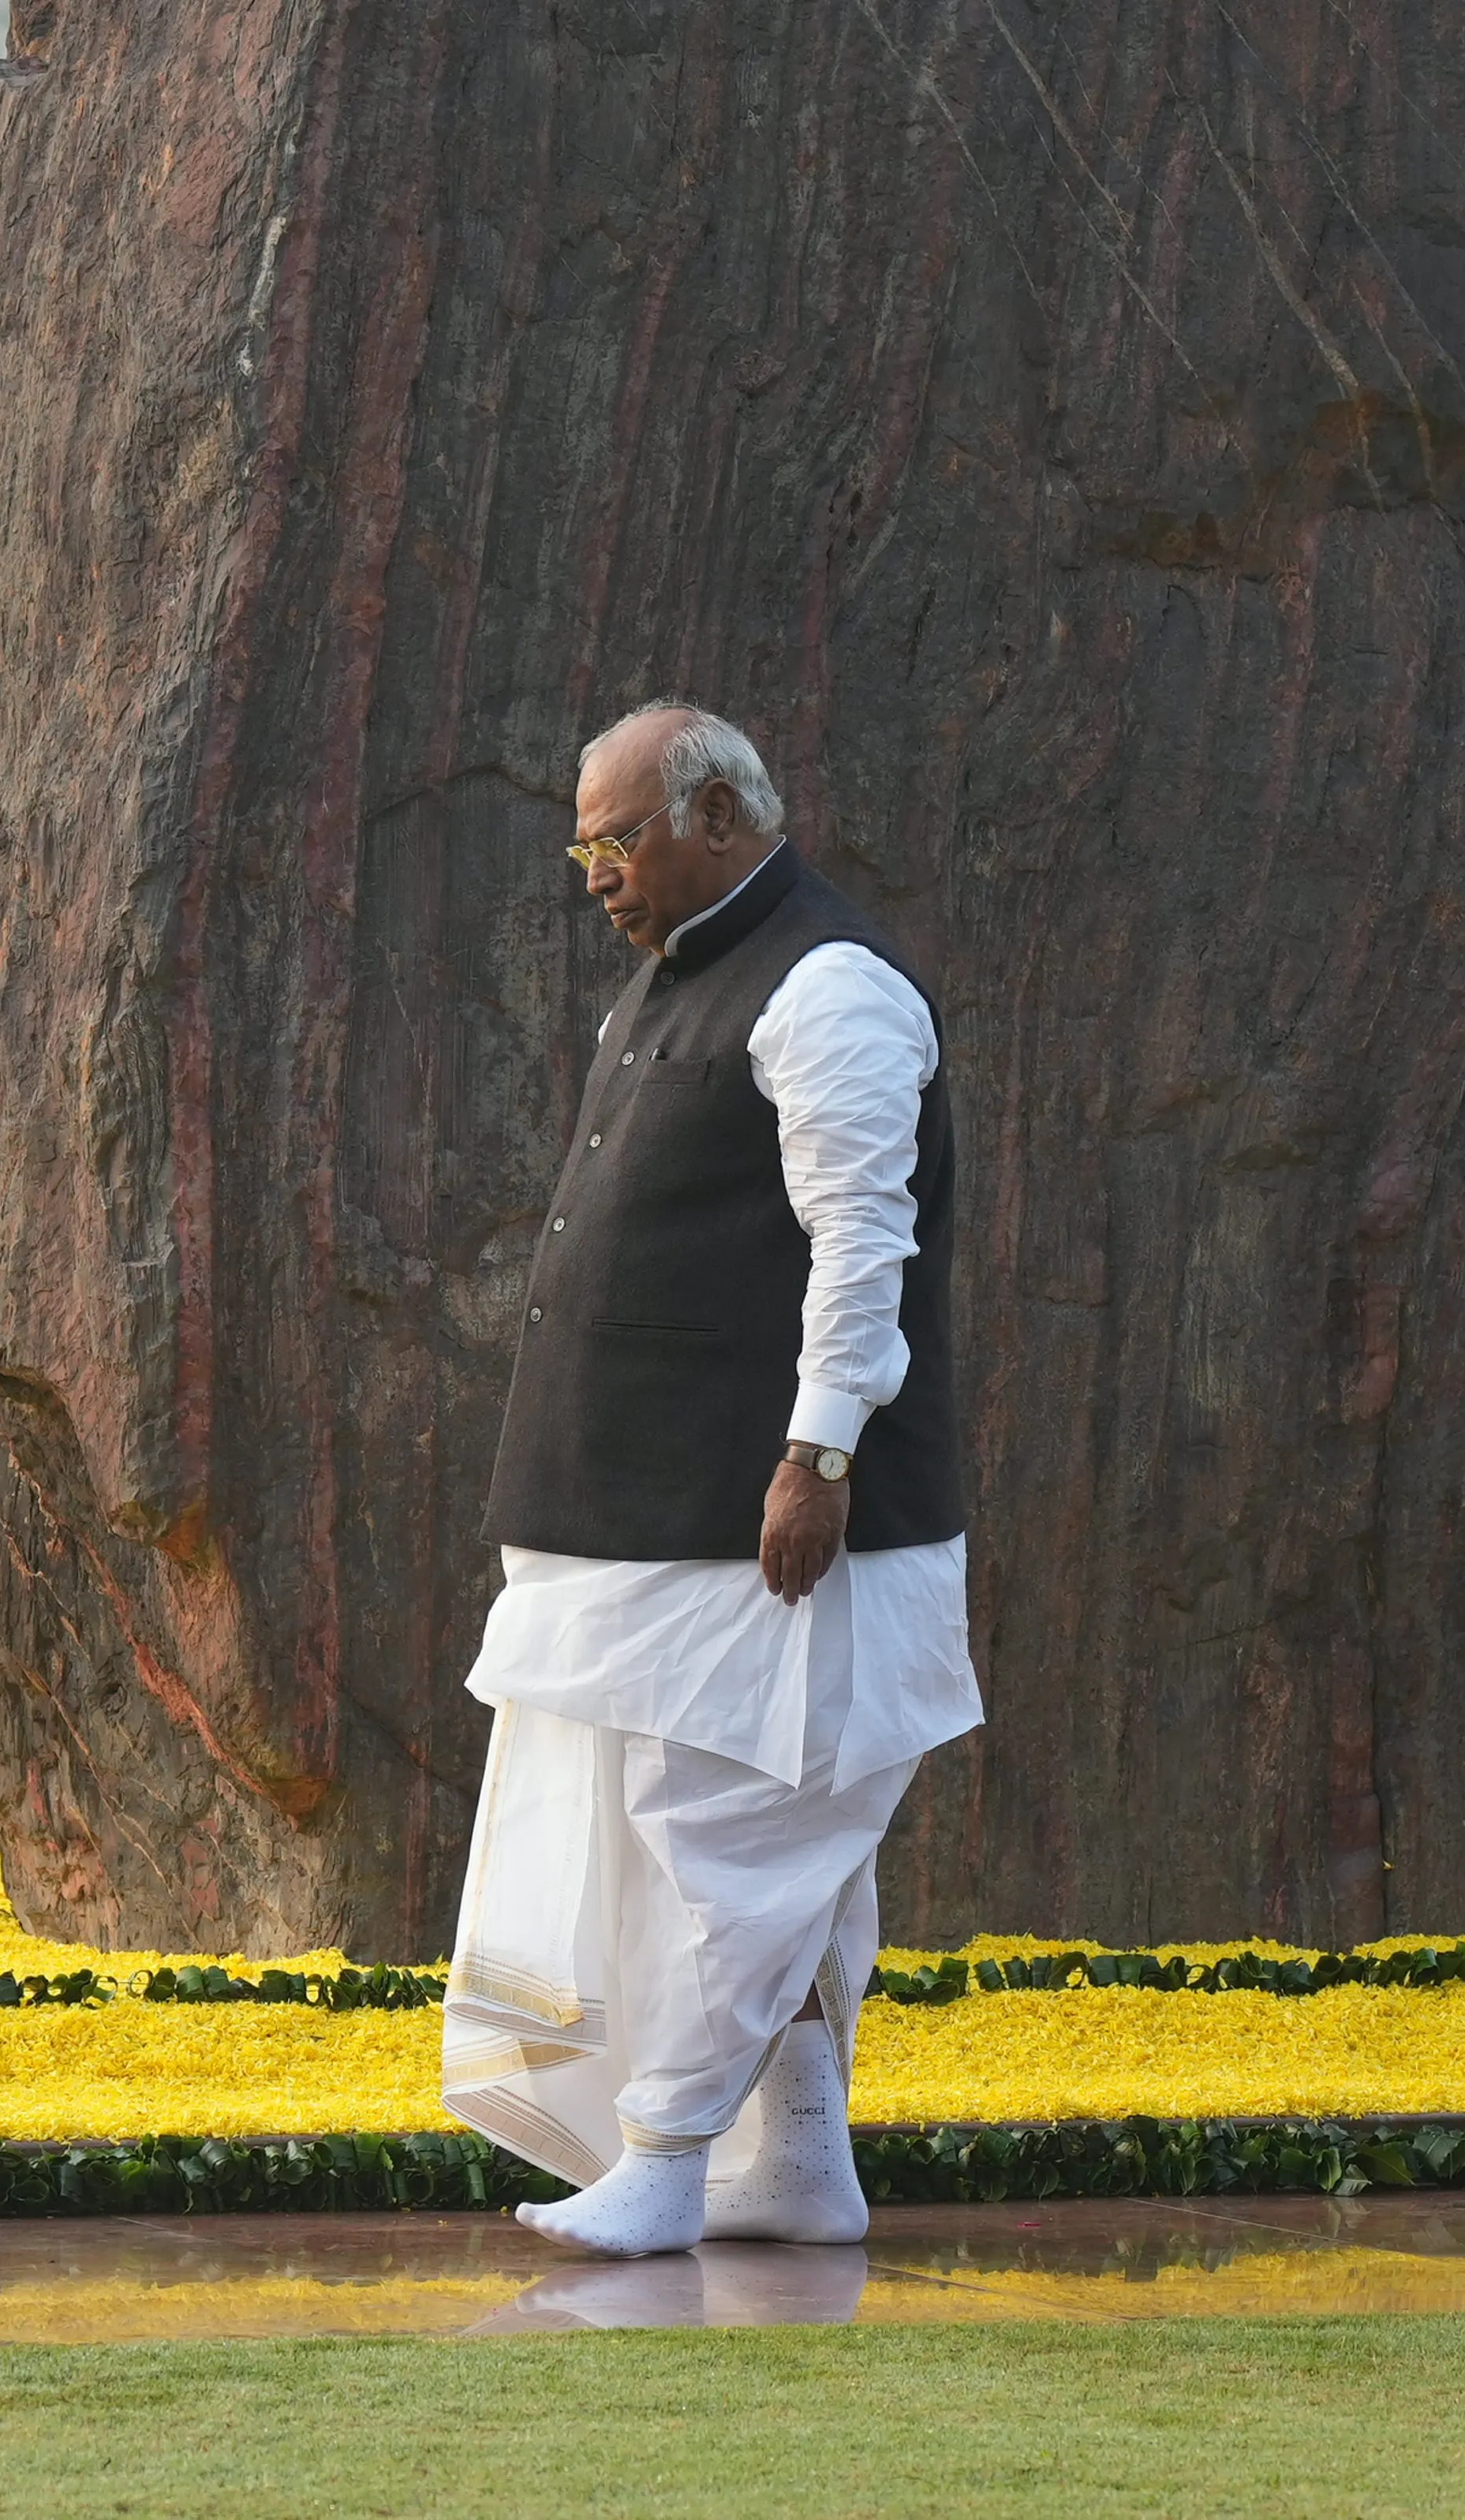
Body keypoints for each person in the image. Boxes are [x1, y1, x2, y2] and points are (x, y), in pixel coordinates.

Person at [439, 705, 981, 2259]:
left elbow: (864, 1242)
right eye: (584, 844)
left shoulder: (830, 987)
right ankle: (797, 2160)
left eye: (622, 838)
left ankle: (669, 2152)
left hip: (772, 1523)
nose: (596, 871)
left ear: (724, 816)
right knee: (708, 1825)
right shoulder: (681, 976)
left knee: (740, 1833)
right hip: (638, 1517)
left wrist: (819, 1455)